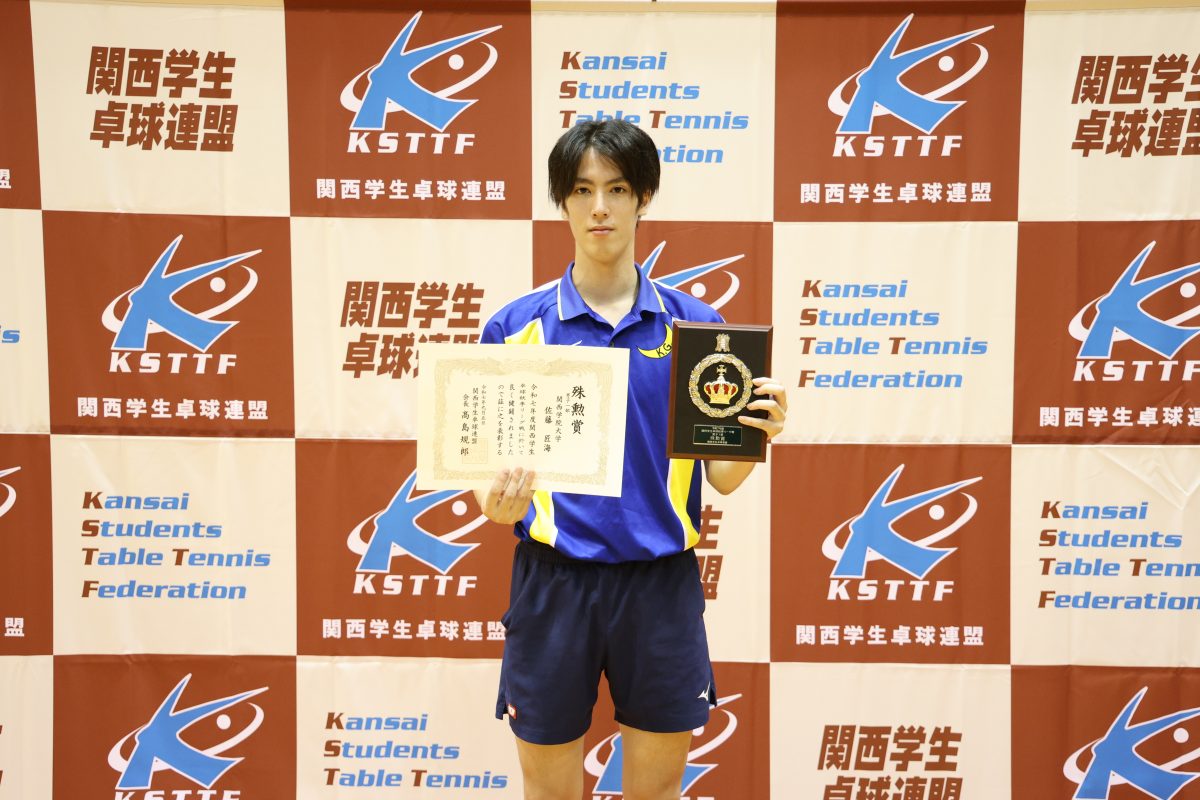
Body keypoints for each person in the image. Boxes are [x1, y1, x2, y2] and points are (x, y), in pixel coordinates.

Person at [474, 119, 787, 800]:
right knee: (548, 791)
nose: (600, 208)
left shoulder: (698, 330)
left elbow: (724, 477)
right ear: (562, 201)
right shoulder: (514, 327)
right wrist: (499, 505)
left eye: (617, 189)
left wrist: (759, 433)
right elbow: (491, 495)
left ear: (644, 197)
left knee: (657, 789)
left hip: (660, 587)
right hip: (553, 583)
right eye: (582, 190)